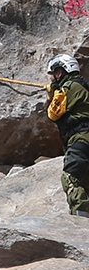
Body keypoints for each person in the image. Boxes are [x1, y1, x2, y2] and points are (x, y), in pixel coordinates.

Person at [46, 55, 89, 218]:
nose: (52, 77)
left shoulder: (68, 87)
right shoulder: (84, 86)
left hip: (81, 138)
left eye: (54, 73)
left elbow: (53, 114)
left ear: (62, 71)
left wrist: (51, 94)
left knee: (71, 177)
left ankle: (80, 224)